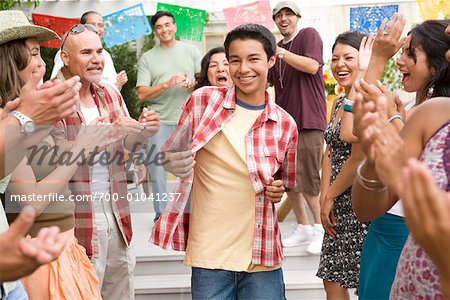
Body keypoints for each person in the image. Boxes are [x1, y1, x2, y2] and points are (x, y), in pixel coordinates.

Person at [151, 24, 297, 299]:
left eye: (253, 59)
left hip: (261, 255)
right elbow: (171, 156)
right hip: (210, 255)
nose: (243, 69)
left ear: (271, 60)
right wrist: (177, 162)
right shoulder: (202, 101)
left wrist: (278, 190)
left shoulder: (285, 124)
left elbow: (285, 184)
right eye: (235, 60)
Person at [55, 23, 159, 300]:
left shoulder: (109, 92)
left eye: (99, 51)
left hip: (117, 211)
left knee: (121, 289)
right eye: (86, 52)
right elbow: (45, 163)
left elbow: (127, 149)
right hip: (78, 216)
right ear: (65, 57)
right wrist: (87, 142)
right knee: (83, 290)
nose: (97, 59)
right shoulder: (52, 98)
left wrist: (142, 132)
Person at [350, 17, 449, 300]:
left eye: (410, 53)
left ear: (436, 64)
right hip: (391, 233)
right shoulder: (427, 112)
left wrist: (395, 127)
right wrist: (375, 158)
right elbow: (358, 127)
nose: (400, 60)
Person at [0, 10, 81, 298]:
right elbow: (27, 201)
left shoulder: (32, 114)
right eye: (33, 53)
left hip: (62, 247)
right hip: (35, 257)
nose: (41, 62)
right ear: (10, 60)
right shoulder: (9, 119)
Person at [268, 0, 326, 253]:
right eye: (278, 15)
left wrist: (279, 52)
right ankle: (303, 227)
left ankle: (322, 228)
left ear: (297, 17)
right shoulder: (275, 49)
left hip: (309, 120)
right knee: (288, 177)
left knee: (310, 176)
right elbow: (265, 81)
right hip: (284, 123)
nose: (283, 19)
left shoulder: (308, 36)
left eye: (288, 14)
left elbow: (313, 66)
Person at [316, 31, 371, 299]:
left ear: (365, 60)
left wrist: (331, 195)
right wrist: (324, 195)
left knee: (365, 282)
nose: (340, 64)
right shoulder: (338, 101)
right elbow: (330, 150)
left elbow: (358, 156)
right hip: (335, 199)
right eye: (335, 58)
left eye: (348, 57)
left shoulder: (369, 97)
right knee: (332, 279)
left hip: (360, 199)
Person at [136, 10, 201, 222]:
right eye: (159, 27)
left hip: (187, 119)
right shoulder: (148, 58)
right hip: (159, 121)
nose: (165, 30)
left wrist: (195, 83)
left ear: (174, 27)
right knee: (158, 170)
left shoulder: (191, 51)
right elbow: (141, 93)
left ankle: (192, 212)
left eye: (168, 25)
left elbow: (204, 77)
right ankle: (161, 216)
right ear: (155, 31)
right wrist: (166, 84)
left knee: (193, 167)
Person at [51, 11, 128, 92]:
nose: (97, 29)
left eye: (100, 25)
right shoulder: (68, 50)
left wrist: (119, 84)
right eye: (86, 52)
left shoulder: (106, 55)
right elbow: (57, 84)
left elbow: (111, 91)